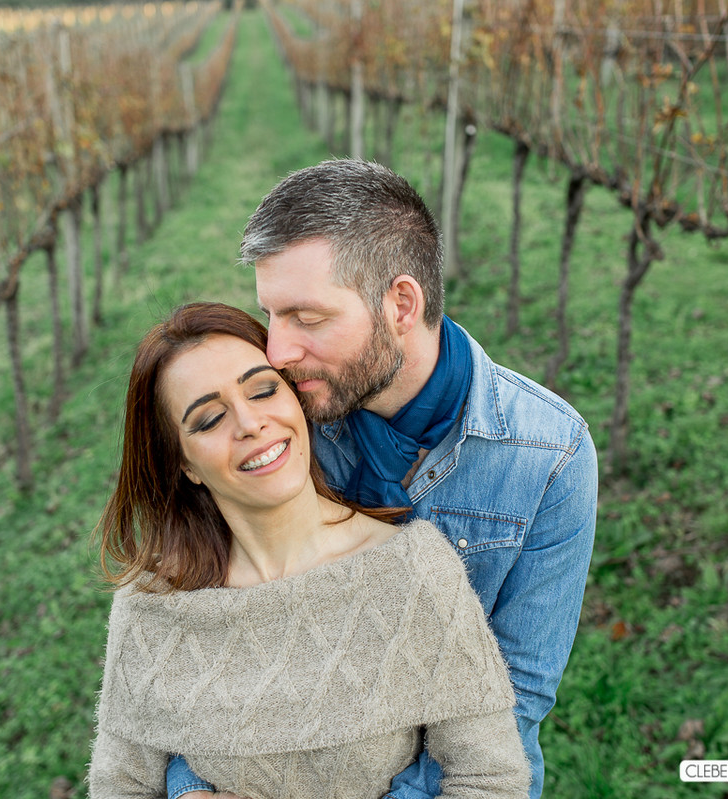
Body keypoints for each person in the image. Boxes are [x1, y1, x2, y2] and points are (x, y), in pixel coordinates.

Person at [167, 160, 598, 799]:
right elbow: (204, 642)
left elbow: (516, 695)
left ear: (400, 304)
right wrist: (193, 787)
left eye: (307, 317)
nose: (277, 352)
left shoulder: (549, 455)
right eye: (271, 315)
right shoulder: (279, 431)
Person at [88, 302, 531, 799]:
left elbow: (492, 781)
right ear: (184, 464)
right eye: (209, 419)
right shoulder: (153, 604)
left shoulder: (413, 570)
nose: (250, 423)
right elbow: (119, 787)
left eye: (263, 390)